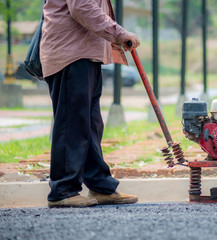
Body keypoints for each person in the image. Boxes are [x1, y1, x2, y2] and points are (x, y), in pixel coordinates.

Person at [40, 0, 140, 208]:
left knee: (90, 125)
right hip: (71, 55)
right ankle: (63, 190)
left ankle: (100, 185)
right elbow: (82, 7)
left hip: (86, 55)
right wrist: (120, 33)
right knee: (73, 124)